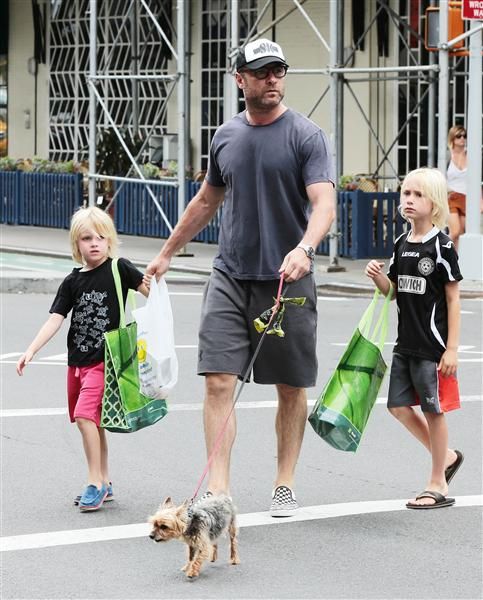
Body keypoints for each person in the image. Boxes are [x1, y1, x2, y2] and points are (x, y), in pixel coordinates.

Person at [146, 38, 335, 517]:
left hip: (286, 280)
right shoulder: (226, 136)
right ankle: (220, 492)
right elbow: (207, 200)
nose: (272, 79)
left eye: (279, 70)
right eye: (262, 71)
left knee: (290, 386)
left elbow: (324, 204)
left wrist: (304, 248)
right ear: (240, 80)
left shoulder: (306, 136)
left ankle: (285, 483)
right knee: (217, 382)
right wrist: (167, 253)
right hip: (229, 275)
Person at [17, 207, 149, 512]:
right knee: (95, 423)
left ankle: (95, 483)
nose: (94, 243)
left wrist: (156, 283)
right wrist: (31, 350)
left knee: (84, 417)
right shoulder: (72, 281)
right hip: (77, 364)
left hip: (106, 362)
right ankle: (105, 479)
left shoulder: (120, 268)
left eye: (100, 237)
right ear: (76, 244)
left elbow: (150, 293)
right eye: (87, 238)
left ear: (110, 240)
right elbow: (55, 319)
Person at [365, 167, 464, 509]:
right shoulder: (401, 243)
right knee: (397, 407)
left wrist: (451, 349)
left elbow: (453, 297)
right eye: (406, 193)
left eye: (417, 194)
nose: (408, 200)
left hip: (432, 348)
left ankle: (438, 483)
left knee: (434, 411)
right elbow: (392, 292)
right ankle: (446, 456)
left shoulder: (442, 246)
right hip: (404, 345)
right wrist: (379, 278)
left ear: (433, 202)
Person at [446, 125, 468, 250]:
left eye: (464, 136)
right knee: (455, 232)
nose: (462, 139)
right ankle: (440, 252)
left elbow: (476, 179)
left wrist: (480, 199)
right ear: (453, 138)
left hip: (467, 198)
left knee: (463, 233)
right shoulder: (447, 155)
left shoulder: (471, 155)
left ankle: (456, 261)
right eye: (459, 136)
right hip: (452, 196)